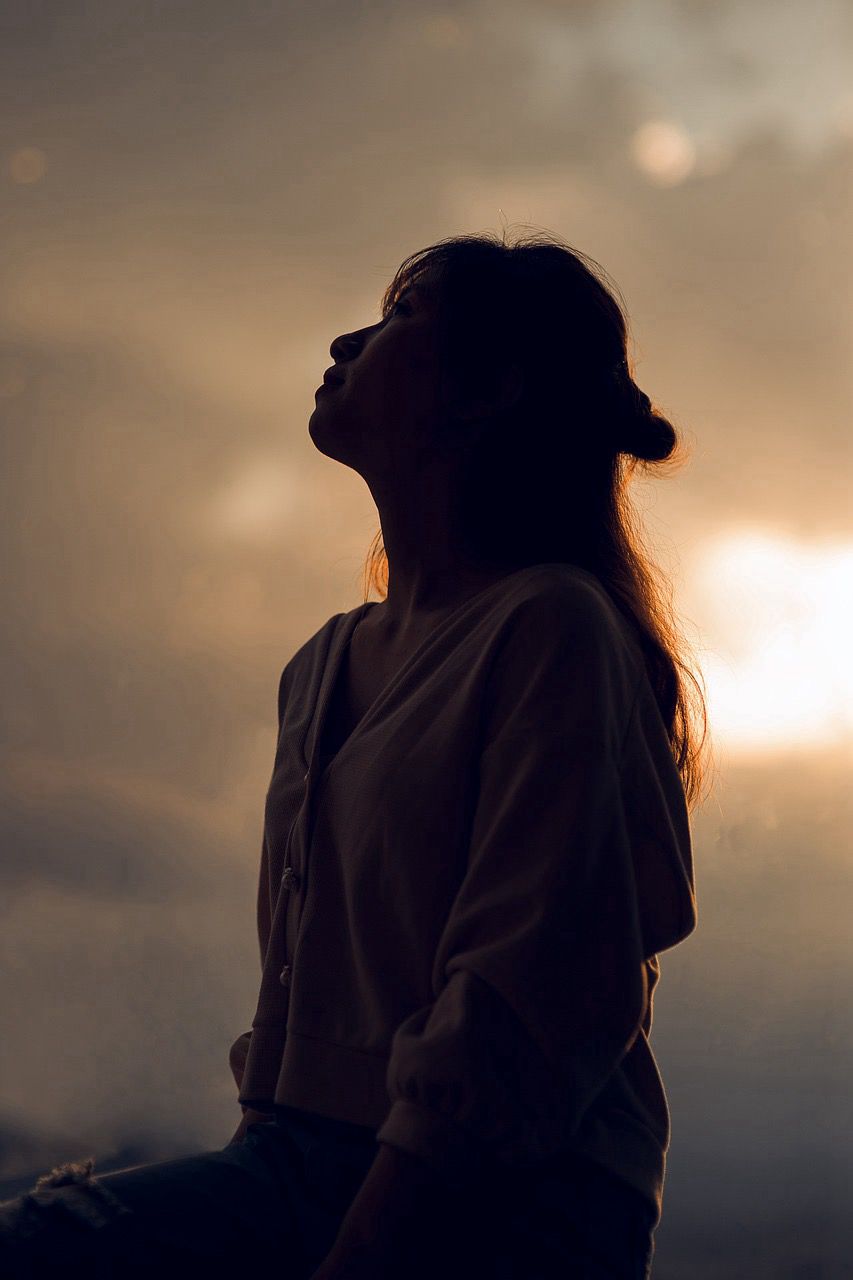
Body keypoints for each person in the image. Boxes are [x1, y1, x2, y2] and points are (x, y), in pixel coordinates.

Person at [0, 228, 706, 1279]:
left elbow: (535, 988)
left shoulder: (551, 627)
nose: (346, 340)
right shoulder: (321, 666)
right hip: (296, 1159)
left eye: (402, 316)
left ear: (490, 389)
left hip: (504, 1196)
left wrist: (364, 1247)